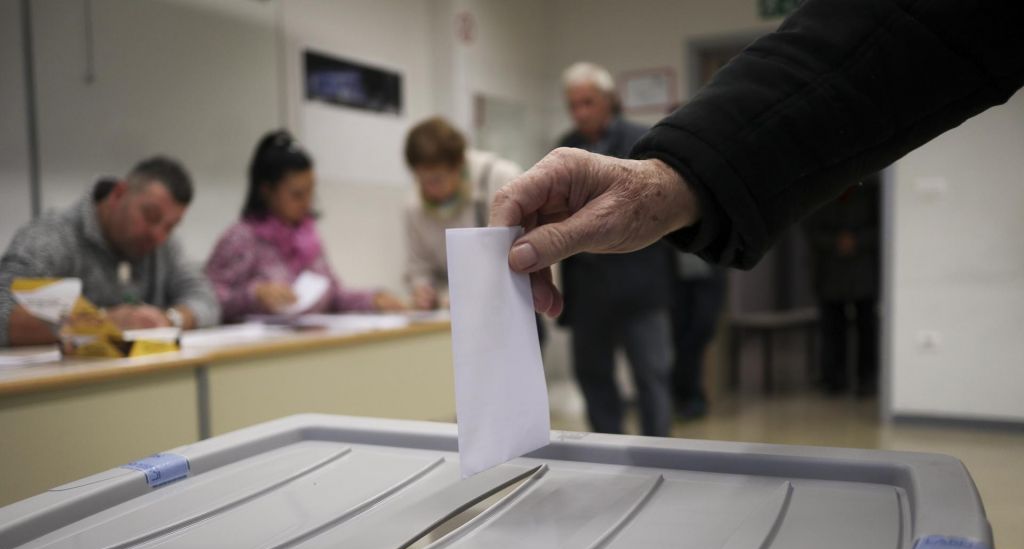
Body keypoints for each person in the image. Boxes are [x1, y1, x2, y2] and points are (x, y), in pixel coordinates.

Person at [490, 0, 1023, 322]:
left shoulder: (632, 134)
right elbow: (898, 29)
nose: (578, 111)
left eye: (588, 100)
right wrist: (667, 179)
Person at [555, 62, 674, 437]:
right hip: (588, 291)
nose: (581, 113)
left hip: (641, 286)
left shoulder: (644, 143)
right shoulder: (563, 150)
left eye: (588, 103)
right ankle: (607, 457)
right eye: (574, 105)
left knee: (652, 376)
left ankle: (660, 458)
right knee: (593, 377)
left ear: (609, 101)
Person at [0, 157, 220, 346]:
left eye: (170, 226)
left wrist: (170, 319)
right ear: (118, 194)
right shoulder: (51, 237)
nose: (158, 235)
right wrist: (103, 323)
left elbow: (206, 299)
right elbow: (3, 311)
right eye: (150, 216)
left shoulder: (161, 243)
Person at [205, 130, 404, 323]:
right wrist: (254, 295)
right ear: (266, 191)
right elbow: (207, 298)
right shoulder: (242, 238)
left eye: (311, 192)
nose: (307, 202)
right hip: (258, 351)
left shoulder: (308, 236)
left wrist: (372, 300)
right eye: (297, 194)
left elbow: (333, 294)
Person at [403, 116, 522, 310]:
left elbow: (527, 251)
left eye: (437, 180)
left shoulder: (502, 179)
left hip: (508, 305)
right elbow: (419, 268)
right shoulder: (413, 206)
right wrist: (423, 290)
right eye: (422, 181)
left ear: (459, 164)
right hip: (455, 312)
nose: (429, 190)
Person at [803, 177, 880, 396]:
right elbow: (809, 228)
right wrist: (835, 242)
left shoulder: (870, 191)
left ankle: (867, 378)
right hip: (829, 273)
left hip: (863, 272)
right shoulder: (821, 191)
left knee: (867, 328)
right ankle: (834, 378)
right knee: (832, 329)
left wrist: (857, 241)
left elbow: (882, 227)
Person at [670, 252, 725, 419]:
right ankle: (687, 396)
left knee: (702, 329)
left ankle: (691, 393)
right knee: (678, 334)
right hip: (676, 278)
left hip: (708, 274)